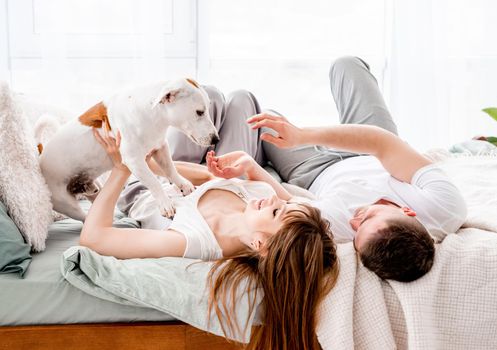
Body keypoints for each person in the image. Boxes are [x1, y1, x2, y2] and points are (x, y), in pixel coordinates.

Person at [164, 56, 467, 283]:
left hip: (313, 170)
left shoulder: (348, 235)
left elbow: (292, 205)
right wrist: (302, 135)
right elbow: (381, 144)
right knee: (347, 65)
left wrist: (255, 167)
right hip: (372, 149)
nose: (355, 218)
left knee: (262, 116)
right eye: (371, 216)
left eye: (357, 229)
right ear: (409, 213)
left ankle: (174, 164)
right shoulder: (445, 207)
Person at [79, 123, 339, 350]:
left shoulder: (191, 240)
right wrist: (151, 164)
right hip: (167, 172)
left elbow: (93, 238)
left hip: (137, 187)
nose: (273, 197)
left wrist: (124, 167)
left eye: (275, 211)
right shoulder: (257, 195)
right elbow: (206, 175)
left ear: (261, 244)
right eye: (282, 205)